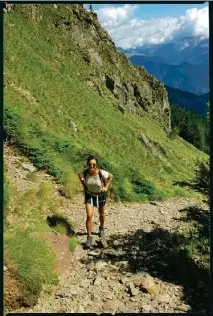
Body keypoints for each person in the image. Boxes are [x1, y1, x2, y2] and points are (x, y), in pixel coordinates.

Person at [78, 155, 113, 248]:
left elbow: (111, 176)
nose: (92, 166)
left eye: (94, 164)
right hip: (89, 195)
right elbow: (79, 175)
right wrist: (84, 186)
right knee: (89, 215)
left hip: (101, 195)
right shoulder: (85, 172)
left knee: (101, 214)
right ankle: (89, 237)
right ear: (88, 164)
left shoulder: (101, 172)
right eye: (90, 164)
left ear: (96, 165)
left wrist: (106, 187)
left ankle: (101, 227)